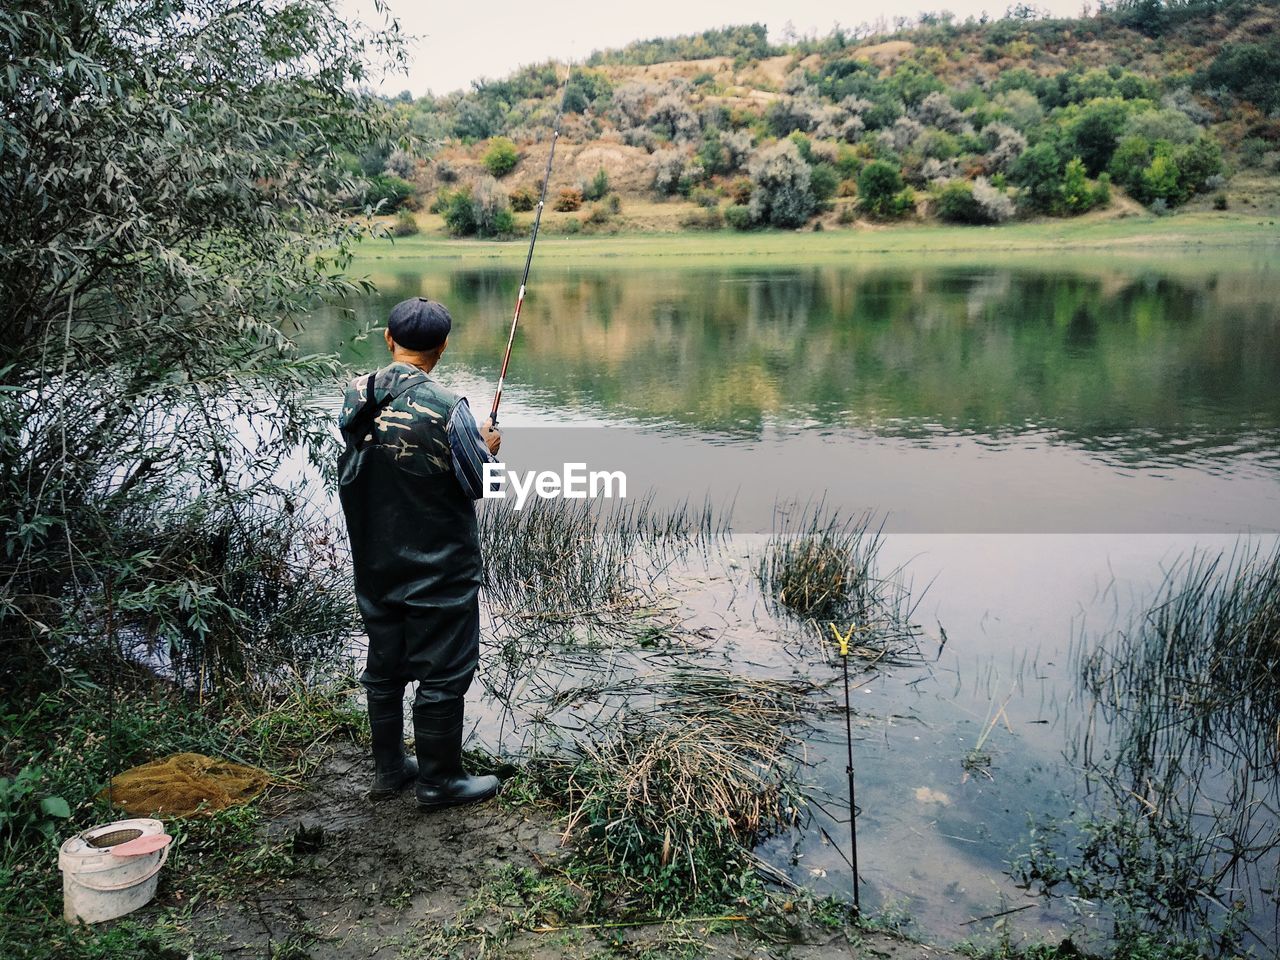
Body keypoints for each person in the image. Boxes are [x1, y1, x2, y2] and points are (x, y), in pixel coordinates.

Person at [337, 297, 502, 810]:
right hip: (439, 568)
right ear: (443, 346)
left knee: (385, 666)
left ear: (389, 338)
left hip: (375, 559)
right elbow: (482, 487)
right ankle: (439, 780)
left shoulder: (355, 393)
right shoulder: (450, 407)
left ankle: (389, 770)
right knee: (445, 671)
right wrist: (489, 449)